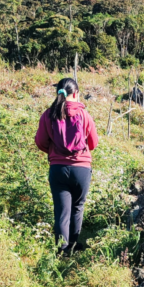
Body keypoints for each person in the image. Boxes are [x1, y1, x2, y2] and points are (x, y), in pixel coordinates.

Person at [34, 77, 99, 254]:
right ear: (76, 94)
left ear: (58, 93)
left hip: (58, 169)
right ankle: (73, 245)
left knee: (62, 212)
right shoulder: (84, 115)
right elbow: (93, 142)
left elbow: (40, 141)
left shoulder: (48, 114)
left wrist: (54, 151)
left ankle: (61, 252)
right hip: (82, 169)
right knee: (78, 208)